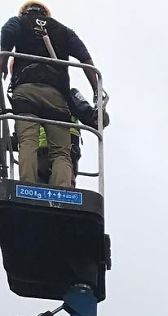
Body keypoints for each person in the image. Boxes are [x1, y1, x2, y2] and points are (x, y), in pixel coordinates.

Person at [0, 4, 99, 187]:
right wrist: (97, 91)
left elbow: (7, 32)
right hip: (57, 95)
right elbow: (85, 59)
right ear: (46, 13)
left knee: (27, 142)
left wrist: (3, 59)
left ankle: (26, 189)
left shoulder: (19, 22)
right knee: (61, 152)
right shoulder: (63, 30)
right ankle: (63, 194)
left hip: (25, 91)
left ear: (24, 12)